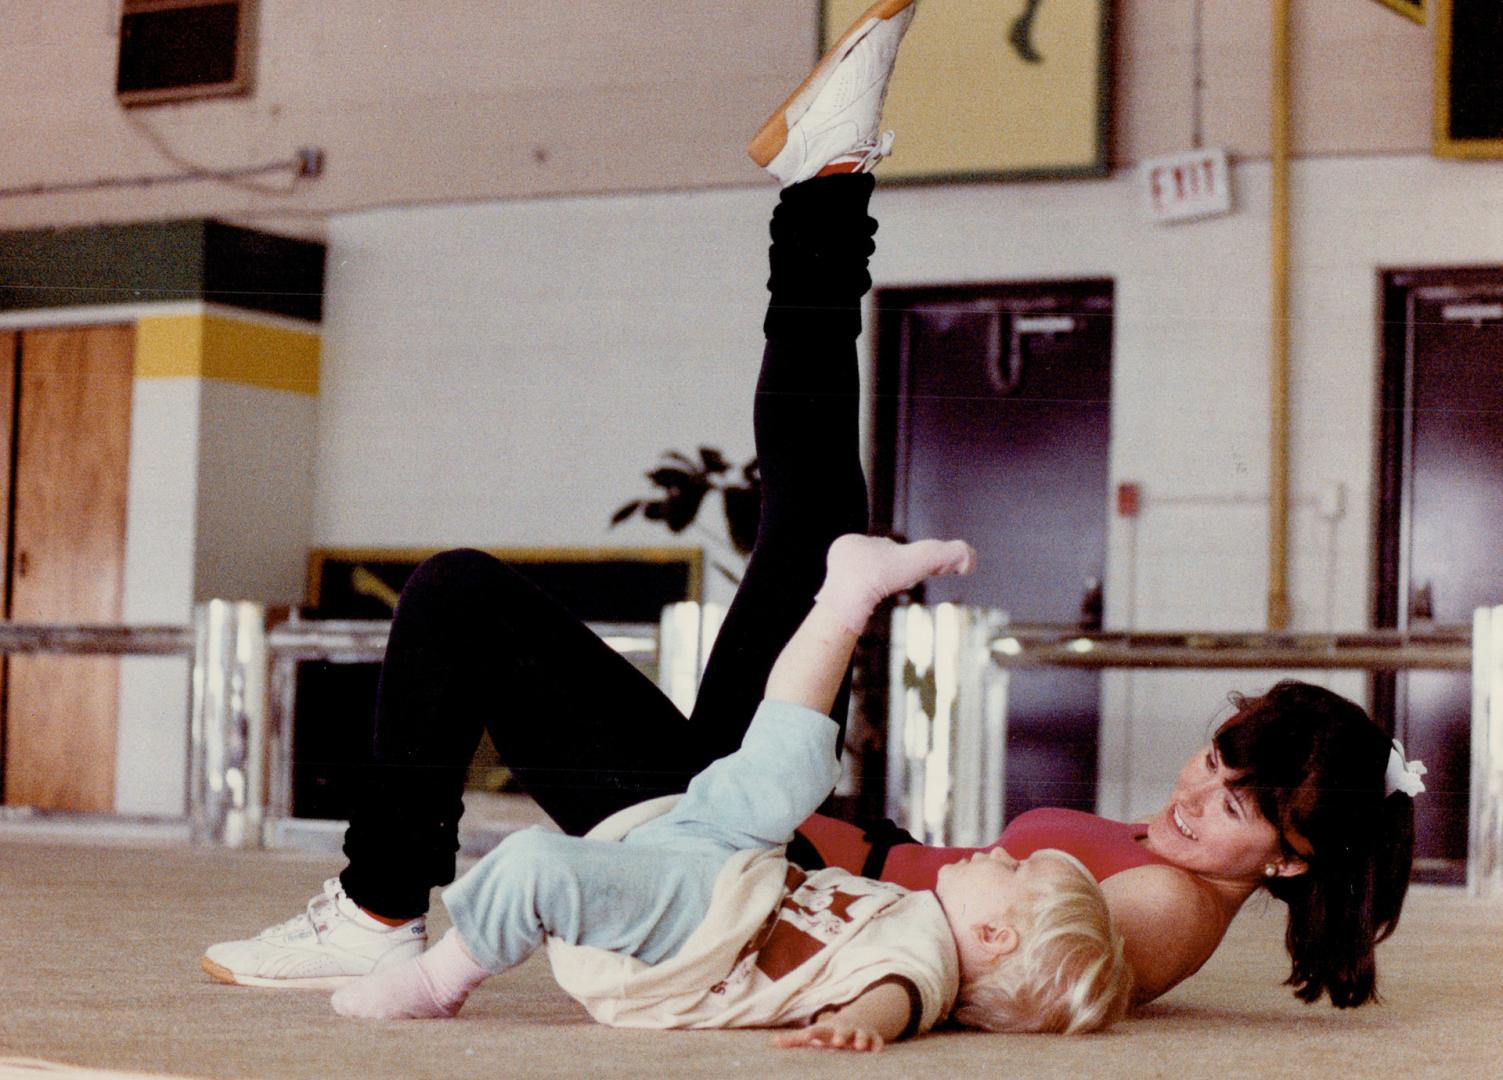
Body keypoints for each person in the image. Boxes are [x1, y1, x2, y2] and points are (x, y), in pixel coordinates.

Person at [202, 0, 1422, 1011]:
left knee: (464, 595)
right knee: (818, 525)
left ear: (1294, 854)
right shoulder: (1177, 868)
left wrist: (868, 1003)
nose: (1193, 798)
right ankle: (826, 180)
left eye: (1237, 805)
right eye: (1214, 762)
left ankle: (376, 908)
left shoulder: (1160, 910)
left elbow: (1011, 980)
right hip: (780, 819)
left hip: (739, 861)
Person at [326, 535, 1133, 1044]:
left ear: (992, 935)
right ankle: (845, 593)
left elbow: (895, 994)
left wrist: (857, 1026)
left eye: (1015, 869)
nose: (999, 851)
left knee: (536, 864)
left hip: (695, 930)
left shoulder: (923, 958)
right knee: (785, 766)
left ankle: (437, 983)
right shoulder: (917, 914)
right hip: (730, 864)